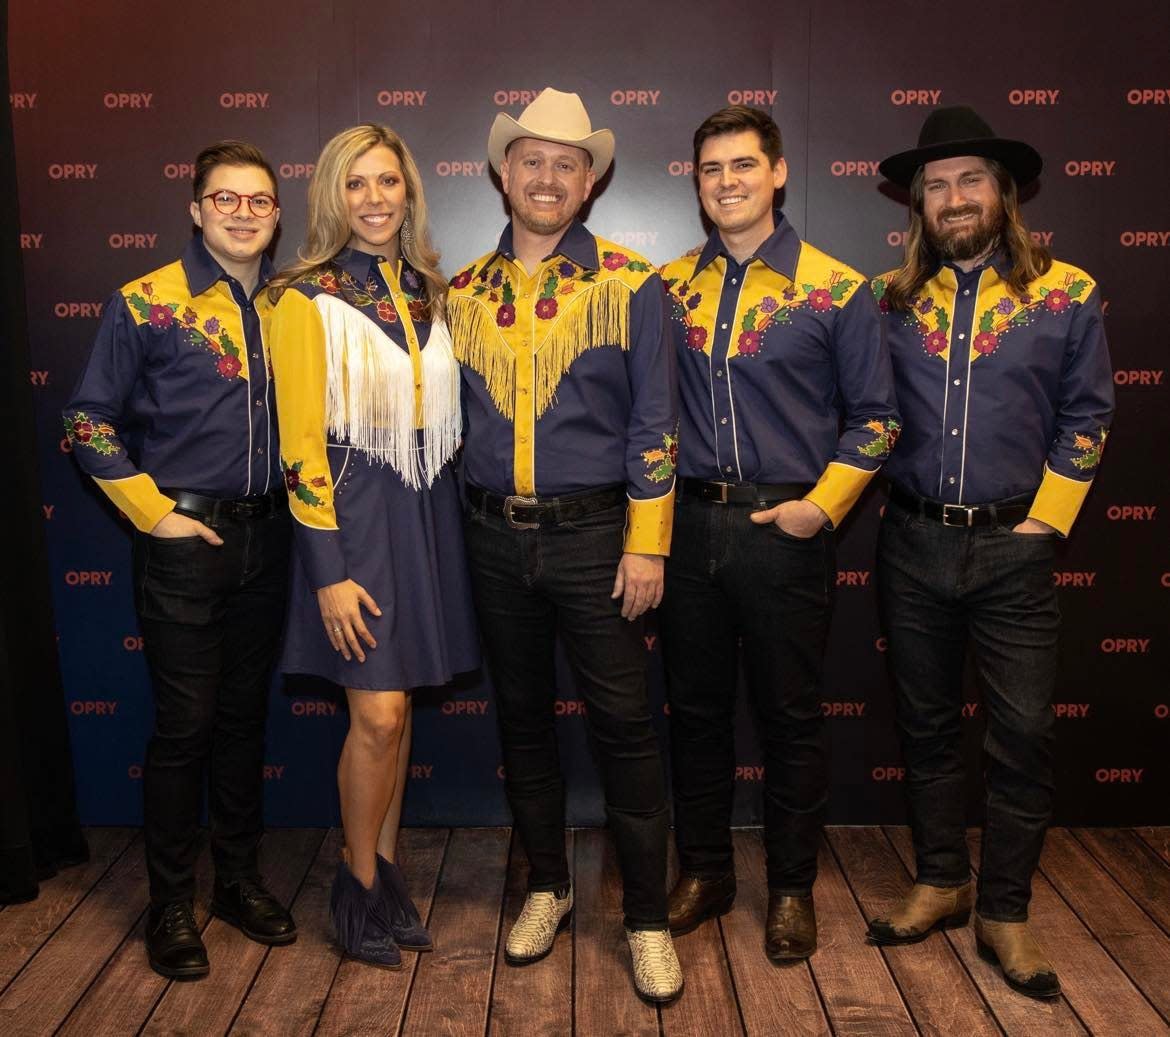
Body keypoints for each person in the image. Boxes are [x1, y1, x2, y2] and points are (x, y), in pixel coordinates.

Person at [866, 106, 1114, 999]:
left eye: (970, 180)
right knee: (927, 726)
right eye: (936, 185)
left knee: (1021, 735)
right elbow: (865, 417)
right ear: (919, 205)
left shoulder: (1069, 294)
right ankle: (941, 878)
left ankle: (1005, 908)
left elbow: (1088, 416)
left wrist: (1045, 522)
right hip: (912, 541)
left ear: (1003, 193)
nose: (954, 197)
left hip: (1015, 549)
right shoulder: (889, 302)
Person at [447, 88, 682, 1003]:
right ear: (505, 174)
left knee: (626, 728)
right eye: (531, 160)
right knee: (522, 722)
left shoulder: (631, 281)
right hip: (491, 536)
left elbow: (655, 424)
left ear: (592, 182)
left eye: (567, 164)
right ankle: (545, 884)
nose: (547, 178)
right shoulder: (461, 291)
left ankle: (650, 917)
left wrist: (648, 542)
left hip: (597, 539)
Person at [658, 106, 898, 962]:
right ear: (696, 181)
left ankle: (793, 889)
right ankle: (707, 871)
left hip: (786, 530)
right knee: (693, 714)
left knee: (792, 717)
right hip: (686, 526)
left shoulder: (839, 289)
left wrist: (819, 507)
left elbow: (877, 421)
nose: (726, 181)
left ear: (780, 171)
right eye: (711, 167)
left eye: (743, 165)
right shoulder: (667, 285)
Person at [63, 142, 296, 979]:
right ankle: (169, 900)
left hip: (273, 540)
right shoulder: (147, 301)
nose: (242, 212)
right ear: (196, 210)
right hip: (184, 545)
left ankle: (236, 881)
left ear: (277, 214)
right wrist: (152, 513)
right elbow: (87, 422)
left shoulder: (293, 304)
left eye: (258, 200)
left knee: (242, 722)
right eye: (224, 199)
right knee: (184, 726)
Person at [267, 124, 478, 969]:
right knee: (379, 711)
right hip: (352, 524)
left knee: (402, 710)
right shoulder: (302, 296)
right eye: (356, 184)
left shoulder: (431, 289)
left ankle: (387, 876)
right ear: (331, 196)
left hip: (427, 512)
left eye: (388, 181)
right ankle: (354, 890)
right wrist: (328, 575)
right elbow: (299, 449)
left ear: (409, 191)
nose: (375, 199)